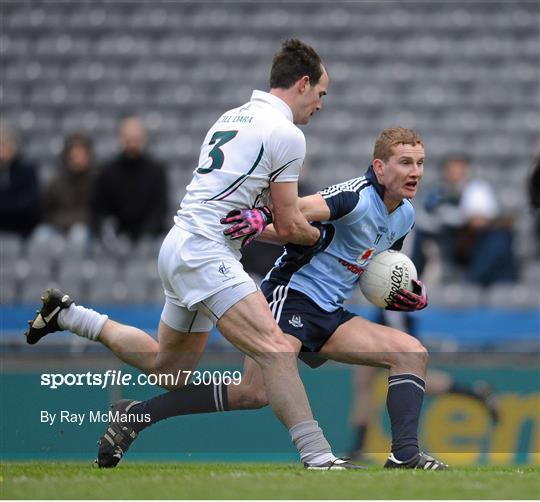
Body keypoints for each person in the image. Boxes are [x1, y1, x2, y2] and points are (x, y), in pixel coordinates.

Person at [25, 39, 358, 470]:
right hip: (206, 251)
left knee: (168, 372)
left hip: (182, 244)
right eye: (321, 94)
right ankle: (319, 458)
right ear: (303, 82)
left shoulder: (231, 116)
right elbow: (291, 224)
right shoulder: (287, 134)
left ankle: (70, 316)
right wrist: (329, 241)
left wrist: (262, 220)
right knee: (275, 348)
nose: (321, 104)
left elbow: (253, 210)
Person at [52, 127, 447, 470]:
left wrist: (403, 293)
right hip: (289, 299)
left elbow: (372, 269)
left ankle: (405, 456)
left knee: (411, 353)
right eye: (404, 162)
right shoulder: (356, 196)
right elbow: (303, 209)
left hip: (330, 313)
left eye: (420, 163)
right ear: (380, 168)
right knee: (253, 392)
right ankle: (141, 414)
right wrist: (264, 218)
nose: (415, 172)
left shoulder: (405, 216)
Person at [347, 311, 498, 463]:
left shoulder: (396, 303)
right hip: (385, 334)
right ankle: (358, 446)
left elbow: (398, 318)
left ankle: (476, 393)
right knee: (365, 385)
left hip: (391, 336)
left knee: (417, 382)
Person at [412, 156, 516, 286]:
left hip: (475, 247)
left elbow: (478, 221)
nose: (455, 174)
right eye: (452, 170)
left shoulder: (477, 188)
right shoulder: (437, 193)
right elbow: (426, 220)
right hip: (454, 241)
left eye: (459, 169)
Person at [91, 116, 168, 242]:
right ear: (121, 139)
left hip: (149, 234)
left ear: (144, 139)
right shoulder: (107, 171)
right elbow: (99, 208)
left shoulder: (156, 171)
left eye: (136, 139)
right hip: (117, 234)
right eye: (129, 139)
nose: (132, 144)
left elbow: (160, 209)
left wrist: (147, 231)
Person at [32, 133, 96, 246]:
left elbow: (93, 212)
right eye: (74, 156)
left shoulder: (95, 181)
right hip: (57, 227)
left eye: (81, 155)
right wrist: (61, 223)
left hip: (83, 227)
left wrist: (70, 221)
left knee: (78, 234)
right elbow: (46, 212)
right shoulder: (56, 181)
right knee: (41, 235)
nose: (77, 160)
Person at [0, 124, 40, 237]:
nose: (1, 150)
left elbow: (30, 205)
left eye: (4, 145)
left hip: (21, 230)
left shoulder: (27, 171)